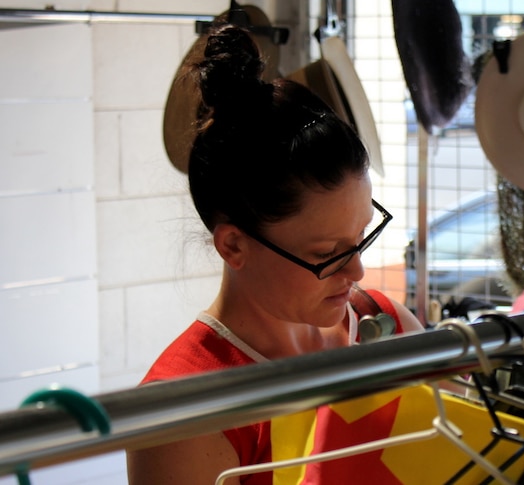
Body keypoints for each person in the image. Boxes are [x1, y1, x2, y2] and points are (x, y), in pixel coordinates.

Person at [126, 24, 424, 485]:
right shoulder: (183, 409)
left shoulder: (385, 327)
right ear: (234, 246)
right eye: (327, 252)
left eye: (363, 234)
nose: (358, 270)